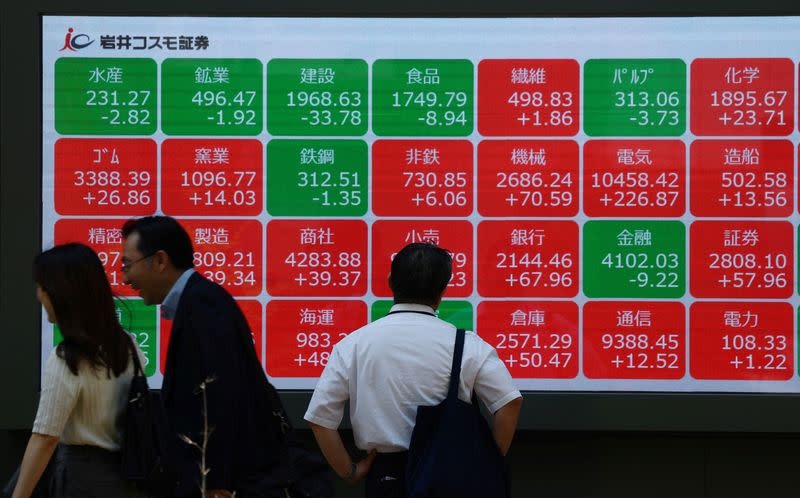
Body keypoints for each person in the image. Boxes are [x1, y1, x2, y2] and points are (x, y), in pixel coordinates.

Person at [305, 242, 523, 498]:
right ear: (443, 290)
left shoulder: (353, 344)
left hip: (386, 476)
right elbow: (509, 401)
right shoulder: (467, 345)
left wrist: (350, 471)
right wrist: (487, 462)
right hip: (450, 472)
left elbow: (320, 418)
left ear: (390, 281)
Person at [120, 216, 282, 498]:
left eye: (127, 265)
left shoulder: (203, 304)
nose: (125, 278)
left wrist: (217, 480)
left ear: (160, 261)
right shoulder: (198, 300)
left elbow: (224, 394)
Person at [11, 243, 145, 498]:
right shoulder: (129, 345)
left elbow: (45, 438)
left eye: (42, 286)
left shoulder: (67, 358)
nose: (38, 295)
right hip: (128, 476)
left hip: (82, 479)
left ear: (60, 293)